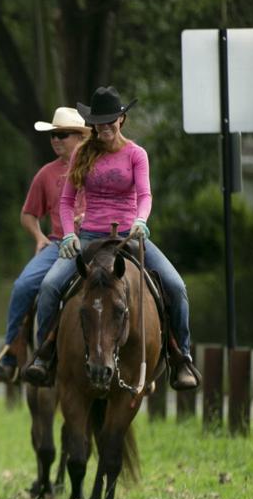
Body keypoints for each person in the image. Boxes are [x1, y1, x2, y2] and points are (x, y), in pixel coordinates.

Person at [23, 87, 200, 390]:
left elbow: (144, 194)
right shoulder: (82, 152)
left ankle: (180, 357)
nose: (104, 128)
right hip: (90, 236)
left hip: (129, 237)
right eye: (98, 123)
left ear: (122, 120)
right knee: (51, 285)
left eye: (110, 121)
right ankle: (45, 355)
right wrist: (68, 236)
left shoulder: (136, 154)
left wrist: (141, 220)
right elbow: (66, 201)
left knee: (176, 287)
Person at [0, 107, 90, 382]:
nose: (56, 140)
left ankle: (144, 358)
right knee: (23, 286)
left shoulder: (99, 167)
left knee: (136, 284)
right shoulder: (46, 174)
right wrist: (39, 237)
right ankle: (14, 351)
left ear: (81, 137)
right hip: (60, 245)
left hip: (99, 241)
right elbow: (27, 214)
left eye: (62, 134)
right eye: (52, 136)